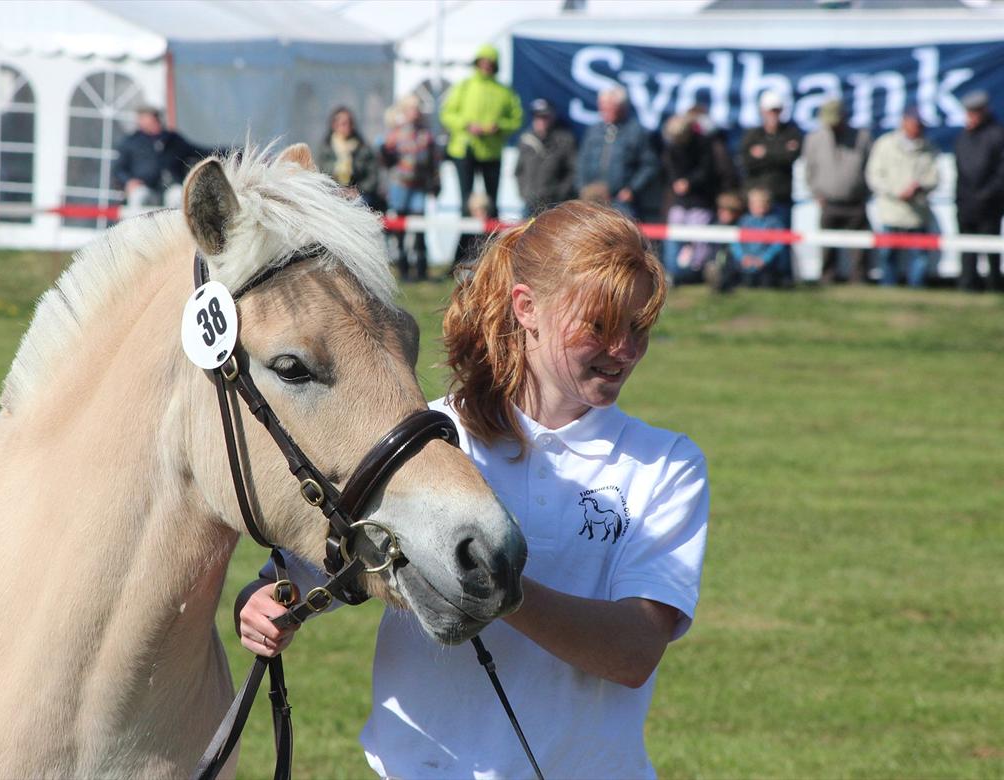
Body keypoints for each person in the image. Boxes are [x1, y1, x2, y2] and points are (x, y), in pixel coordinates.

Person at [238, 200, 709, 779]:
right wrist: (265, 603)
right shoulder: (429, 440)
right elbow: (315, 572)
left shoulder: (665, 463)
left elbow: (634, 652)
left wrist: (495, 585)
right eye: (600, 326)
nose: (625, 351)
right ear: (527, 308)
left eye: (638, 329)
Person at [440, 43, 523, 262]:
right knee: (466, 206)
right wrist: (467, 125)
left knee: (492, 206)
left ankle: (493, 258)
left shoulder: (504, 91)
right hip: (465, 150)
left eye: (490, 63)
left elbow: (516, 119)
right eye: (482, 62)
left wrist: (499, 126)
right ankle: (460, 258)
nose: (486, 66)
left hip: (491, 152)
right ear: (477, 63)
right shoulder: (464, 87)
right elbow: (447, 114)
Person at [865, 108, 939, 288]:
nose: (918, 128)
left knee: (919, 255)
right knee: (887, 254)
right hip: (891, 211)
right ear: (904, 123)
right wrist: (897, 192)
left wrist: (919, 187)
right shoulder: (885, 144)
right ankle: (888, 288)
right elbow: (874, 176)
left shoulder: (929, 148)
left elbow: (935, 178)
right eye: (915, 124)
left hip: (917, 212)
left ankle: (916, 289)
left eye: (920, 125)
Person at [954, 90, 1004, 293]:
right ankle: (967, 285)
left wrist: (987, 194)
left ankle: (994, 285)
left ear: (983, 112)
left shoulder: (999, 135)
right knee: (967, 250)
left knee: (992, 249)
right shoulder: (964, 137)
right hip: (966, 204)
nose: (970, 117)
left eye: (974, 113)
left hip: (990, 205)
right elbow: (960, 172)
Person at [802, 98, 872, 284]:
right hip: (828, 202)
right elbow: (809, 170)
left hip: (855, 202)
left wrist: (865, 193)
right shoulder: (814, 139)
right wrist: (816, 192)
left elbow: (870, 168)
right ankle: (827, 278)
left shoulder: (862, 137)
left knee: (859, 247)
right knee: (827, 246)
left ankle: (859, 280)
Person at [738, 90, 802, 283]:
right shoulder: (752, 135)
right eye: (770, 110)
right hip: (755, 201)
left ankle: (783, 278)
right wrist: (779, 152)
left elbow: (791, 156)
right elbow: (746, 160)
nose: (773, 115)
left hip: (781, 198)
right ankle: (752, 276)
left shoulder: (791, 132)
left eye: (776, 110)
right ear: (762, 111)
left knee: (781, 240)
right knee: (753, 242)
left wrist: (765, 153)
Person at [575, 86, 662, 223]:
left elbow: (649, 165)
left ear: (622, 108)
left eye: (610, 107)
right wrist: (582, 187)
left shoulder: (636, 132)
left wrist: (632, 189)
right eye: (602, 106)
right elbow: (581, 162)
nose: (604, 110)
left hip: (621, 202)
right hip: (592, 199)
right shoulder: (594, 131)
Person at [381, 95, 441, 281]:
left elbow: (434, 162)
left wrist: (436, 183)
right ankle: (403, 267)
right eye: (411, 109)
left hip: (419, 186)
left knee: (419, 228)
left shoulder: (426, 135)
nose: (415, 113)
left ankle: (421, 268)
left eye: (417, 109)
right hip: (400, 185)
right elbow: (385, 161)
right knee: (399, 228)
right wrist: (386, 148)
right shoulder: (395, 134)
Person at [661, 112, 717, 284]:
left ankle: (698, 271)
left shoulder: (704, 144)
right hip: (679, 200)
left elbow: (707, 171)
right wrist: (677, 182)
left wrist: (689, 182)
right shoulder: (671, 147)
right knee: (674, 234)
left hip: (700, 200)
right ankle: (673, 271)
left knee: (699, 236)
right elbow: (669, 169)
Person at [112, 106, 205, 210]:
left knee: (178, 194)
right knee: (139, 195)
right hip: (145, 188)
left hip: (171, 186)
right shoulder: (131, 142)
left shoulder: (173, 139)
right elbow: (119, 169)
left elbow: (197, 152)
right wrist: (129, 180)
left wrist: (219, 152)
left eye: (154, 119)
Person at [515, 98, 576, 216]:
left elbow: (572, 171)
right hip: (530, 202)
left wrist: (560, 193)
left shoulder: (564, 140)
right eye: (537, 117)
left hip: (554, 203)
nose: (541, 121)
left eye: (545, 117)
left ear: (553, 117)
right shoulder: (526, 140)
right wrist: (524, 192)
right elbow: (519, 171)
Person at [317, 106, 382, 211]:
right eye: (343, 124)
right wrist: (337, 190)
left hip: (359, 194)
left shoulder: (363, 148)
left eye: (350, 123)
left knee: (358, 206)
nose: (347, 127)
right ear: (334, 125)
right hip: (332, 193)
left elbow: (372, 177)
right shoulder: (326, 149)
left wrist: (358, 190)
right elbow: (320, 173)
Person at [731, 186, 786, 288]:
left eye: (762, 205)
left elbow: (778, 244)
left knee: (766, 282)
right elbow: (736, 242)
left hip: (766, 264)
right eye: (755, 205)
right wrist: (742, 257)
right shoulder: (743, 221)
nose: (759, 208)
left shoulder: (774, 222)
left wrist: (764, 259)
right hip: (745, 262)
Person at [705, 190, 746, 293]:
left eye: (727, 211)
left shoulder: (741, 226)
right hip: (716, 258)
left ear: (736, 213)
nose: (723, 213)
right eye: (721, 210)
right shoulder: (713, 226)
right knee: (713, 265)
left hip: (735, 262)